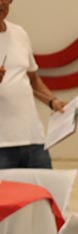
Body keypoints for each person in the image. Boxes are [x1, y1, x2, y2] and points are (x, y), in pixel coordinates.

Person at [0, 0, 69, 168]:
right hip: (2, 146)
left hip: (34, 140)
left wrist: (53, 101)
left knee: (44, 185)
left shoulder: (19, 34)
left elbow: (32, 79)